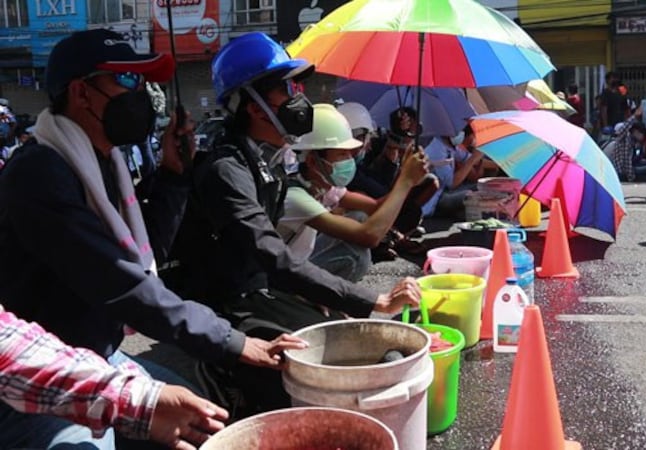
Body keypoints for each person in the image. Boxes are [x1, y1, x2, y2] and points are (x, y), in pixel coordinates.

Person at [0, 29, 307, 447]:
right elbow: (121, 281)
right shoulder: (39, 173)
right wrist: (236, 344)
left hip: (102, 355)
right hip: (36, 381)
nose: (143, 94)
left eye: (145, 82)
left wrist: (173, 176)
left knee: (203, 426)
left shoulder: (105, 163)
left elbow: (147, 256)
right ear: (81, 92)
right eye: (127, 80)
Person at [179, 32, 421, 418]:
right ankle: (222, 375)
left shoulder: (270, 161)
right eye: (285, 88)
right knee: (313, 372)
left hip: (261, 289)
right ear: (254, 106)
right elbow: (271, 255)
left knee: (347, 340)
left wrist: (316, 297)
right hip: (224, 305)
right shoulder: (226, 170)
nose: (298, 98)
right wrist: (374, 300)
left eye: (297, 85)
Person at [0, 304, 228, 450]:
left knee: (198, 425)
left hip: (84, 351)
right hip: (14, 393)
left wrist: (135, 402)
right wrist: (230, 342)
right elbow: (129, 284)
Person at [278, 104, 428, 282]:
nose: (349, 160)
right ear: (312, 160)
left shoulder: (324, 187)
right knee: (356, 255)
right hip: (282, 279)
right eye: (341, 154)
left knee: (358, 217)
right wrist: (405, 182)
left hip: (298, 264)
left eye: (349, 154)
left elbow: (376, 208)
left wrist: (406, 176)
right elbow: (369, 236)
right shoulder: (296, 196)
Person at [422, 126, 487, 219]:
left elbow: (469, 159)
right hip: (435, 200)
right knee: (470, 194)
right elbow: (452, 183)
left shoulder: (450, 146)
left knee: (483, 186)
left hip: (444, 192)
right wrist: (472, 160)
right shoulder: (436, 149)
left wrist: (479, 158)